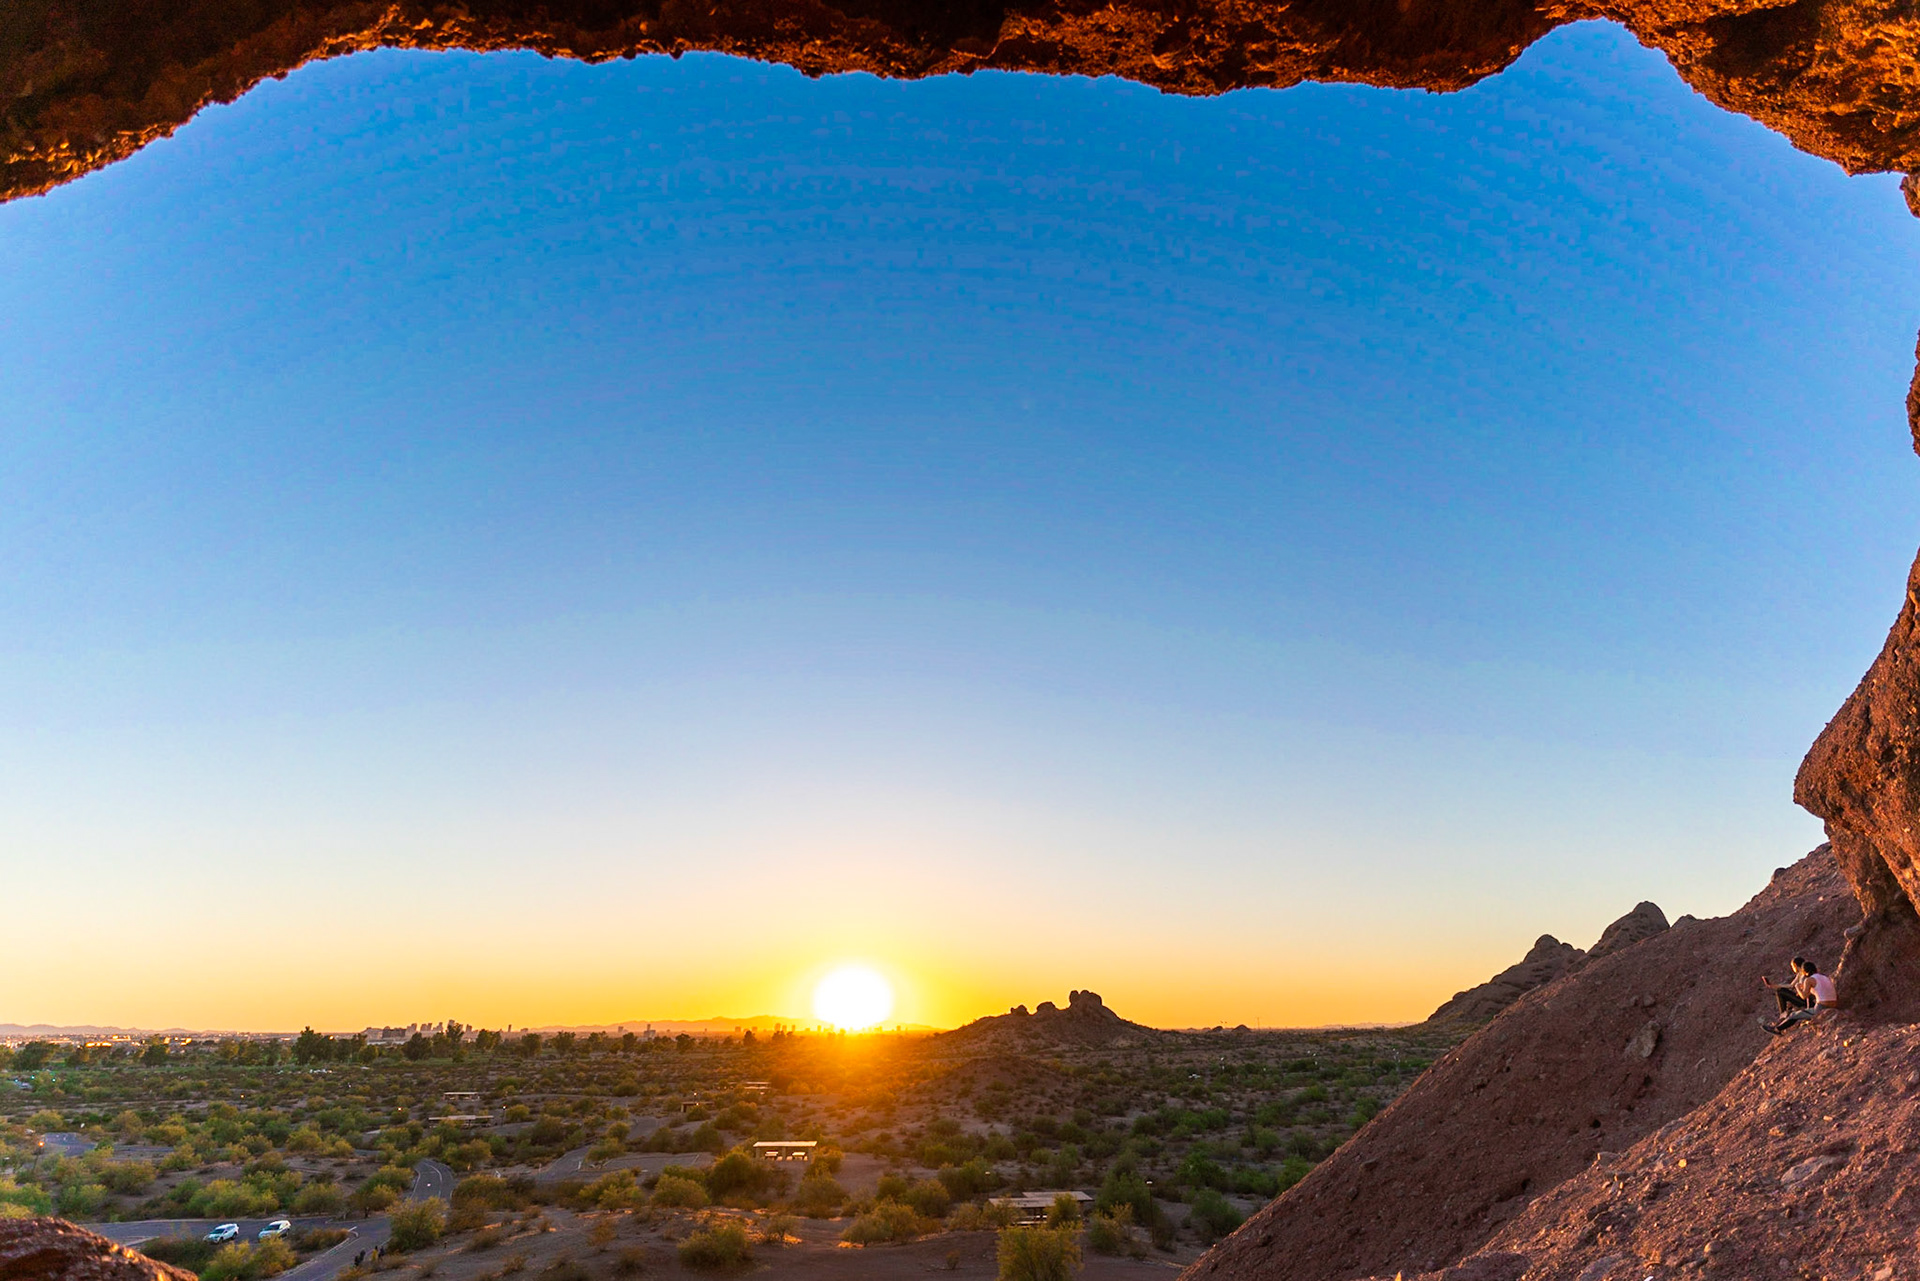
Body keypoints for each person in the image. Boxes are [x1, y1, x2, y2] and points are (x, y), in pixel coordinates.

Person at [1759, 956, 1836, 1034]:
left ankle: (1777, 1029)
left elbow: (1804, 996)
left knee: (1794, 1015)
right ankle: (1780, 1024)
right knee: (1796, 1013)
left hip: (1821, 1008)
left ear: (1804, 971)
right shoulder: (1824, 977)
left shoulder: (1808, 980)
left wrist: (1798, 988)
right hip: (1833, 1005)